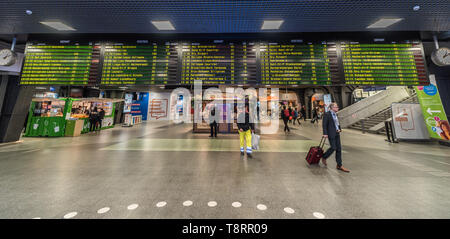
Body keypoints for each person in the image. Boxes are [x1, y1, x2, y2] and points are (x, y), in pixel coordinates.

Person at [322, 102, 350, 173]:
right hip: (331, 133)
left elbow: (336, 123)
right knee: (333, 147)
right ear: (332, 108)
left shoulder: (335, 114)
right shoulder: (327, 114)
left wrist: (339, 128)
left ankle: (339, 165)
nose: (337, 108)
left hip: (337, 133)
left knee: (339, 149)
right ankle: (324, 156)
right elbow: (324, 124)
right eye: (336, 107)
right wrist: (325, 133)